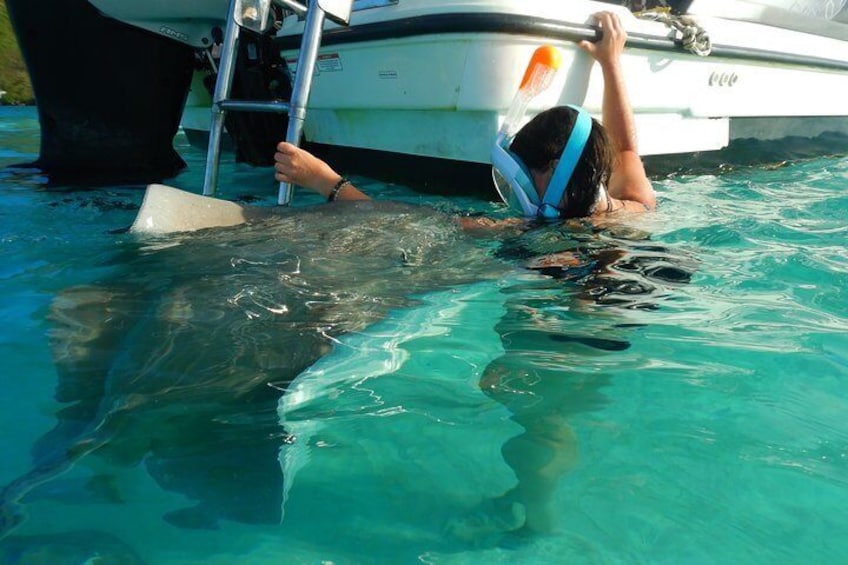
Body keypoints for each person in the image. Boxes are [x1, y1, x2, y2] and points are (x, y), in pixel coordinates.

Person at [274, 11, 655, 222]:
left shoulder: (534, 238)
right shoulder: (638, 209)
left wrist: (325, 181)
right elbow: (626, 150)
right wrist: (611, 62)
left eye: (519, 178)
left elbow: (404, 218)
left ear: (553, 171)